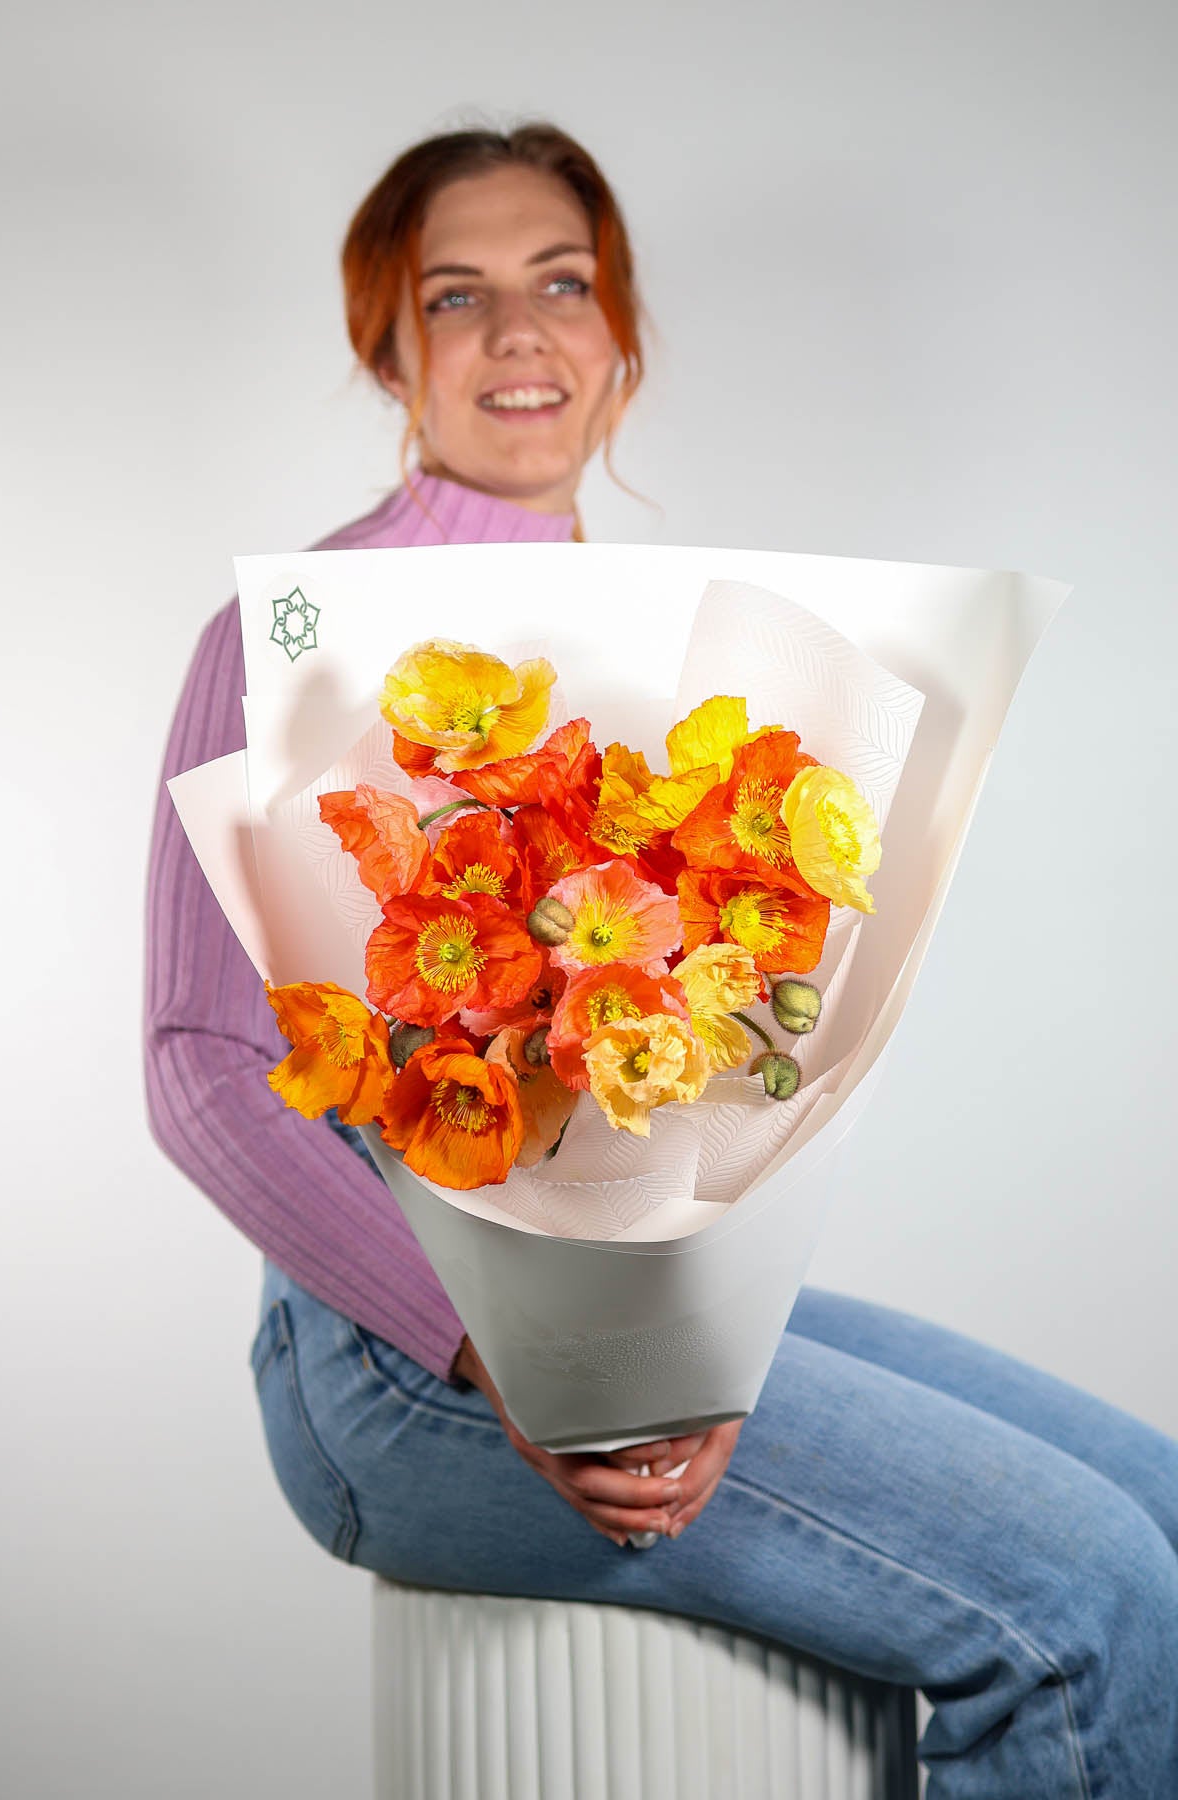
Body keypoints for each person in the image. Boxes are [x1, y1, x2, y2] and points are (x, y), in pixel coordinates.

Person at [144, 122, 1178, 1797]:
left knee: (1164, 1511)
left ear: (621, 337)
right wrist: (503, 1352)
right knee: (1092, 1594)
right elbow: (200, 1073)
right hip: (398, 1364)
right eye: (456, 295)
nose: (519, 331)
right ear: (389, 352)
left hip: (629, 1312)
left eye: (563, 283)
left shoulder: (655, 627)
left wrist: (661, 1326)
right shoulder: (293, 633)